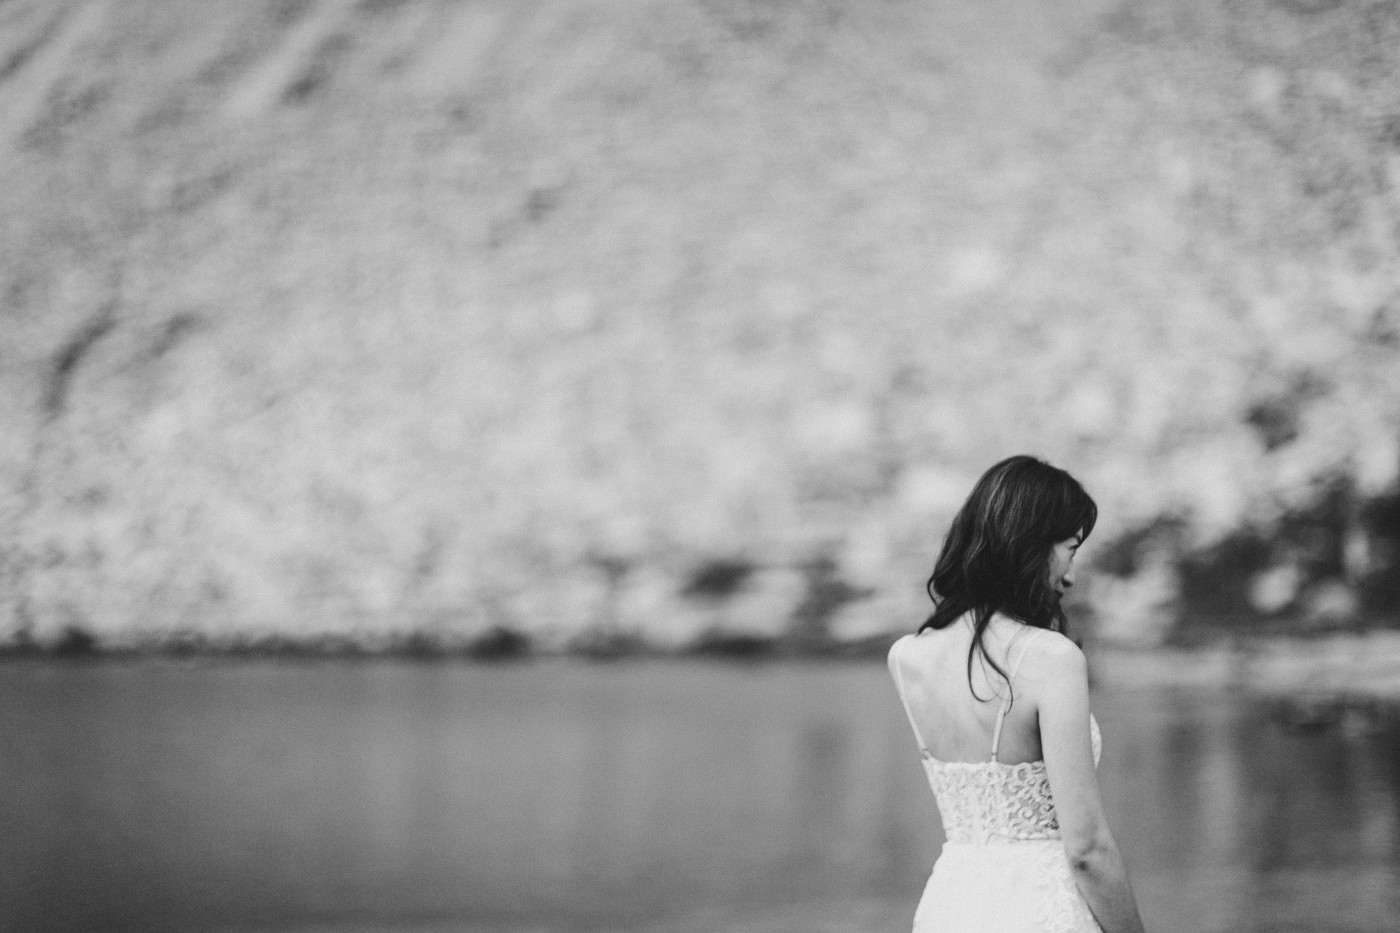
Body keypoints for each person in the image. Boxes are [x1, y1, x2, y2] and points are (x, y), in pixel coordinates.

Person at [887, 455, 1147, 933]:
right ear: (1031, 545)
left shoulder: (906, 657)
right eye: (1070, 549)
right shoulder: (1049, 659)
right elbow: (1086, 849)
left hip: (950, 907)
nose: (1070, 575)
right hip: (1041, 911)